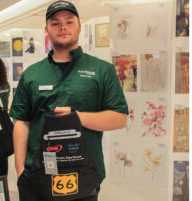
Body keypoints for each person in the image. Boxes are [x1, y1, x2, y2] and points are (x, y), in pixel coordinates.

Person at [9, 1, 128, 201]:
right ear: (46, 29)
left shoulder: (101, 70)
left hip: (83, 175)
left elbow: (119, 118)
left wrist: (77, 118)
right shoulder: (32, 74)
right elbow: (21, 121)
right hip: (36, 176)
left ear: (79, 26)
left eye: (69, 21)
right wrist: (20, 169)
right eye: (55, 23)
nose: (63, 27)